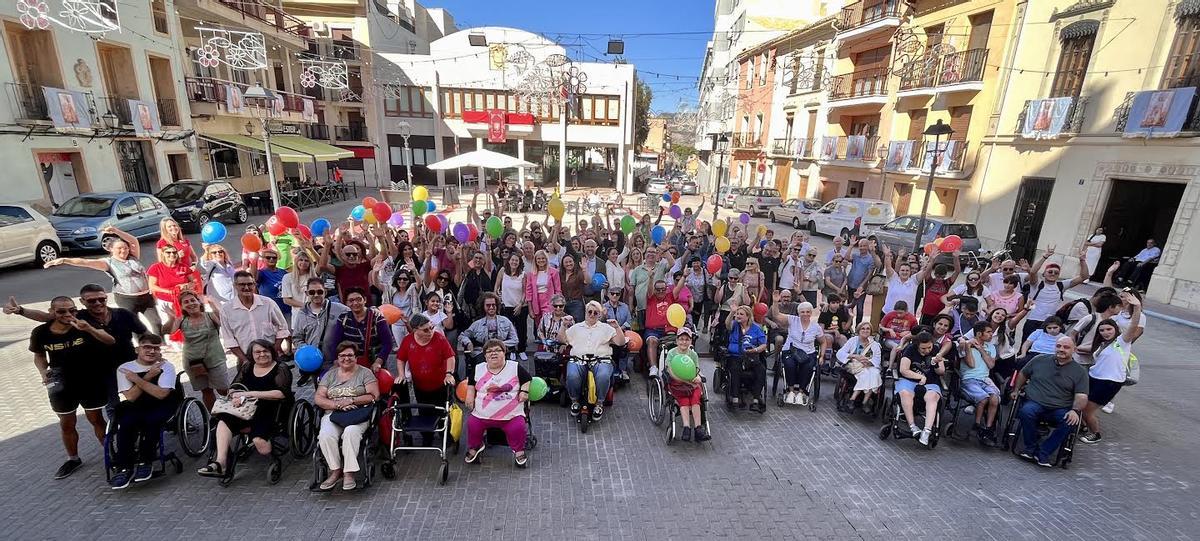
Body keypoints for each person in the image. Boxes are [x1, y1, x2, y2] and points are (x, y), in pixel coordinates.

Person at [7, 283, 148, 410]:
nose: (98, 303)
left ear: (106, 298)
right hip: (102, 370)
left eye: (102, 299)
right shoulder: (78, 316)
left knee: (144, 397)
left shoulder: (122, 314)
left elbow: (144, 334)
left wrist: (146, 352)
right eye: (92, 300)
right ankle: (118, 436)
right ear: (82, 302)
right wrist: (20, 310)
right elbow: (46, 317)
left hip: (129, 363)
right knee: (113, 407)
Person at [30, 296, 117, 479]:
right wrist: (42, 371)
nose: (68, 314)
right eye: (62, 311)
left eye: (72, 310)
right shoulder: (40, 332)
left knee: (96, 419)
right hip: (60, 380)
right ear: (52, 312)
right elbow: (39, 355)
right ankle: (73, 459)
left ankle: (112, 455)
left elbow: (110, 341)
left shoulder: (83, 325)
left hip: (88, 378)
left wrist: (90, 329)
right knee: (66, 422)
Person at [198, 340, 293, 479]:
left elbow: (281, 393)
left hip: (272, 409)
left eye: (265, 351)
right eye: (257, 352)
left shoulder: (280, 368)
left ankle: (261, 443)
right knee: (224, 420)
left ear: (272, 352)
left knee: (263, 447)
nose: (262, 354)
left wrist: (249, 394)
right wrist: (235, 396)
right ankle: (221, 463)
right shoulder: (248, 366)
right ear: (251, 355)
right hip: (246, 408)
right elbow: (234, 386)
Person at [44, 226, 161, 333]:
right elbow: (85, 262)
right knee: (134, 325)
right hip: (127, 299)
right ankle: (143, 346)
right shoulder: (108, 263)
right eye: (119, 248)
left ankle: (161, 344)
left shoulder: (133, 257)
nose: (123, 250)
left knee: (156, 322)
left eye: (125, 248)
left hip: (145, 297)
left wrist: (116, 231)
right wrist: (64, 260)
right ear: (111, 249)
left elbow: (133, 240)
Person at [109, 334, 178, 489]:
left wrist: (138, 379)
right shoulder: (124, 368)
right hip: (137, 404)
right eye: (147, 347)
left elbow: (161, 394)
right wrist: (148, 377)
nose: (152, 351)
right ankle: (124, 467)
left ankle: (145, 461)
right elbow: (131, 397)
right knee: (126, 423)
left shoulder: (166, 366)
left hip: (161, 403)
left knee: (152, 421)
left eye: (156, 348)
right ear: (137, 349)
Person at [1010, 336, 1089, 467]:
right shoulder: (1040, 360)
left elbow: (1081, 396)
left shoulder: (1080, 372)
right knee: (1025, 411)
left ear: (1074, 350)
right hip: (1035, 402)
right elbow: (1023, 373)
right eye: (1058, 346)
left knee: (1070, 421)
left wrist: (1075, 411)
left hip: (1060, 407)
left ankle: (1044, 452)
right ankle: (1030, 447)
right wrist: (1016, 389)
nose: (1061, 349)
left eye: (1066, 347)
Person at [314, 342, 380, 491]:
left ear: (356, 357)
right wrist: (337, 405)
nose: (346, 358)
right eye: (342, 355)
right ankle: (335, 471)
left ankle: (349, 472)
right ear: (337, 358)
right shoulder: (330, 375)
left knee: (351, 433)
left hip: (358, 413)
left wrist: (351, 400)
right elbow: (318, 398)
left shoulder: (365, 373)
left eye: (350, 355)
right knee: (325, 435)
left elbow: (374, 395)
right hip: (333, 413)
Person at [1079, 295, 1141, 444]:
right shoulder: (1101, 344)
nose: (1105, 332)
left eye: (1109, 329)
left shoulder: (1121, 343)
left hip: (1108, 382)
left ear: (1116, 330)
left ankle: (1095, 434)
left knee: (1087, 410)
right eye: (1102, 330)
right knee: (1080, 404)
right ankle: (1082, 426)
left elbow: (1133, 327)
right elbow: (1088, 349)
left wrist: (1137, 308)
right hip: (1093, 377)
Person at [464, 339, 532, 467]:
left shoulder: (514, 367)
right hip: (481, 414)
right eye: (489, 351)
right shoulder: (478, 368)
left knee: (517, 427)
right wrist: (469, 396)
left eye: (497, 350)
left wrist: (524, 391)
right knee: (473, 424)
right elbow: (471, 384)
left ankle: (519, 451)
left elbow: (527, 379)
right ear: (485, 356)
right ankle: (475, 447)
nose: (493, 353)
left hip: (511, 415)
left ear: (504, 352)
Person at [559, 300, 626, 420]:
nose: (592, 314)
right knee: (572, 375)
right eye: (589, 311)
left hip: (601, 360)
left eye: (595, 313)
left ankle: (600, 403)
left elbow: (620, 342)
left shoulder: (606, 328)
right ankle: (574, 401)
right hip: (579, 359)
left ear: (599, 315)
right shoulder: (576, 327)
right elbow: (561, 340)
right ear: (585, 312)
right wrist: (563, 326)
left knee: (603, 375)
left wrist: (617, 327)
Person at [163, 291, 228, 410]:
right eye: (186, 302)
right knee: (206, 391)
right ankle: (215, 417)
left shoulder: (209, 315)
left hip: (215, 359)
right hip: (193, 363)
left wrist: (212, 303)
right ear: (182, 306)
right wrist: (170, 318)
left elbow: (223, 322)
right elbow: (167, 331)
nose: (190, 303)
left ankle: (233, 414)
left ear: (199, 302)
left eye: (193, 300)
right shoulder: (181, 320)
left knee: (223, 389)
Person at [218, 271, 289, 368]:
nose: (246, 287)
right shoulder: (226, 309)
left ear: (255, 284)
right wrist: (245, 360)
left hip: (270, 356)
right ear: (235, 285)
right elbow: (229, 339)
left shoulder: (268, 303)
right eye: (242, 284)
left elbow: (283, 328)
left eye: (250, 284)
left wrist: (275, 349)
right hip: (245, 359)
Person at [1022, 246, 1089, 339]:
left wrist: (1082, 260)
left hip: (1050, 323)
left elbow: (1084, 277)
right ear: (1044, 274)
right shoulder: (1037, 284)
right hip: (1033, 320)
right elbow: (1033, 271)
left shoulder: (1061, 285)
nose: (1053, 274)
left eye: (1056, 272)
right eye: (1050, 272)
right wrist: (1044, 257)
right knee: (1026, 347)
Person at [769, 297, 822, 406]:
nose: (805, 314)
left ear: (811, 313)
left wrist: (821, 356)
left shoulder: (816, 327)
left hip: (809, 353)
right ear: (799, 313)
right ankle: (791, 391)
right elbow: (776, 315)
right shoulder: (792, 320)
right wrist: (775, 301)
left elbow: (823, 342)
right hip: (791, 350)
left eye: (808, 312)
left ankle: (801, 392)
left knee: (808, 367)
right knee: (789, 364)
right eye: (802, 312)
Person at [896, 332, 946, 446]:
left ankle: (927, 431)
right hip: (910, 380)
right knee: (905, 393)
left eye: (929, 347)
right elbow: (903, 370)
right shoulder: (910, 349)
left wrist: (937, 364)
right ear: (917, 345)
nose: (927, 350)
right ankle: (913, 426)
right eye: (923, 348)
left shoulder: (936, 349)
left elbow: (941, 372)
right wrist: (920, 376)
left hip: (931, 381)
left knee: (932, 397)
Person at [292, 277, 350, 371]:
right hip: (314, 364)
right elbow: (297, 338)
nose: (316, 295)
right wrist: (306, 350)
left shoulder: (341, 310)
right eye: (312, 292)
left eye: (320, 292)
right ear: (307, 293)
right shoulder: (302, 314)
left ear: (325, 292)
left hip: (337, 362)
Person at [664, 326, 709, 442]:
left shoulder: (693, 354)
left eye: (687, 339)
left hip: (692, 382)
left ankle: (698, 428)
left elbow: (696, 369)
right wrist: (686, 381)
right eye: (681, 339)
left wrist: (697, 377)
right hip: (677, 383)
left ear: (690, 341)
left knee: (695, 400)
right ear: (677, 341)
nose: (684, 342)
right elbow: (671, 372)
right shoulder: (671, 354)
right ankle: (686, 428)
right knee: (684, 400)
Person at [331, 287, 393, 372]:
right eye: (351, 300)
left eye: (358, 299)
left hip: (374, 365)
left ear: (365, 300)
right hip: (351, 364)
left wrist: (378, 362)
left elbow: (388, 343)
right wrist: (336, 361)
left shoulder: (377, 317)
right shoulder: (343, 318)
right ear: (346, 303)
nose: (355, 303)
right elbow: (336, 343)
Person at [959, 322, 1001, 444]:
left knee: (994, 399)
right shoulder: (965, 345)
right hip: (969, 379)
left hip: (984, 380)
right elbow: (971, 364)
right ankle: (977, 425)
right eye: (988, 332)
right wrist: (968, 346)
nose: (991, 334)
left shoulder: (991, 347)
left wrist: (980, 349)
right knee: (983, 398)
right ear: (978, 333)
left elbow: (991, 365)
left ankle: (987, 428)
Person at [725, 305, 768, 411]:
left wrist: (755, 350)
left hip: (751, 356)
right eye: (737, 314)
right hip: (736, 356)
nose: (738, 316)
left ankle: (756, 399)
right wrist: (732, 312)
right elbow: (727, 324)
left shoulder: (756, 328)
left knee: (761, 370)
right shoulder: (734, 325)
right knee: (735, 369)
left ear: (748, 316)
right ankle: (735, 398)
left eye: (741, 314)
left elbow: (763, 344)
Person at [835, 321, 883, 414]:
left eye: (868, 329)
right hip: (855, 365)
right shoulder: (853, 340)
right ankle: (860, 401)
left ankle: (858, 401)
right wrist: (854, 356)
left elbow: (877, 359)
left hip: (869, 366)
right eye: (863, 328)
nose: (865, 330)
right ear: (859, 330)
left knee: (875, 374)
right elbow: (840, 353)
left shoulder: (875, 345)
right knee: (866, 374)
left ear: (871, 331)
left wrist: (869, 362)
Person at [459, 293, 520, 360]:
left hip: (501, 352)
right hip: (482, 353)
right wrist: (468, 342)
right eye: (488, 305)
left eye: (493, 305)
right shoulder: (477, 324)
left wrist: (499, 344)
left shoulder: (506, 321)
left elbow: (515, 339)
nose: (491, 307)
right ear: (483, 306)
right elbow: (462, 336)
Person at [644, 278, 685, 376]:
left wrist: (684, 276)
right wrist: (650, 278)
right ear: (655, 290)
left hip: (669, 329)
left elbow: (679, 287)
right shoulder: (651, 298)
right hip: (653, 331)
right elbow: (649, 289)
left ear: (667, 289)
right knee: (651, 341)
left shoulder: (670, 297)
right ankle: (653, 367)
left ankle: (681, 365)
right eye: (658, 289)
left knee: (682, 341)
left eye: (663, 289)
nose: (660, 291)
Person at [495, 253, 529, 358]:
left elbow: (525, 292)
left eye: (516, 261)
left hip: (520, 306)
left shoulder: (523, 274)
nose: (514, 262)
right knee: (508, 330)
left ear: (519, 263)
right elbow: (496, 286)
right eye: (512, 260)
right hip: (506, 306)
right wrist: (497, 298)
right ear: (509, 261)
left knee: (521, 329)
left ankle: (522, 349)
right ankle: (512, 350)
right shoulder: (502, 271)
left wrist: (520, 304)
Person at [921, 258, 963, 325]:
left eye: (942, 277)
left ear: (945, 275)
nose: (939, 279)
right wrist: (933, 259)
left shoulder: (947, 283)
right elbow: (928, 270)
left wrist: (956, 257)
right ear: (934, 274)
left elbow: (957, 271)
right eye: (937, 276)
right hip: (926, 313)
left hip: (939, 313)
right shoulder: (930, 281)